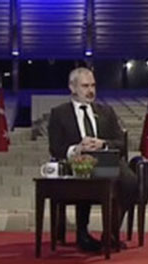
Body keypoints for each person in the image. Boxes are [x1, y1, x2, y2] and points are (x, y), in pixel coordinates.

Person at [48, 67, 138, 253]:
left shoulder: (107, 112)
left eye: (93, 85)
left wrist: (102, 144)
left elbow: (121, 144)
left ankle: (110, 233)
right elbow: (55, 148)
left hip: (105, 161)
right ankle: (82, 234)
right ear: (72, 87)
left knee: (130, 181)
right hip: (77, 163)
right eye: (85, 86)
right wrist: (77, 149)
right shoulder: (59, 114)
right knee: (86, 176)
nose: (91, 90)